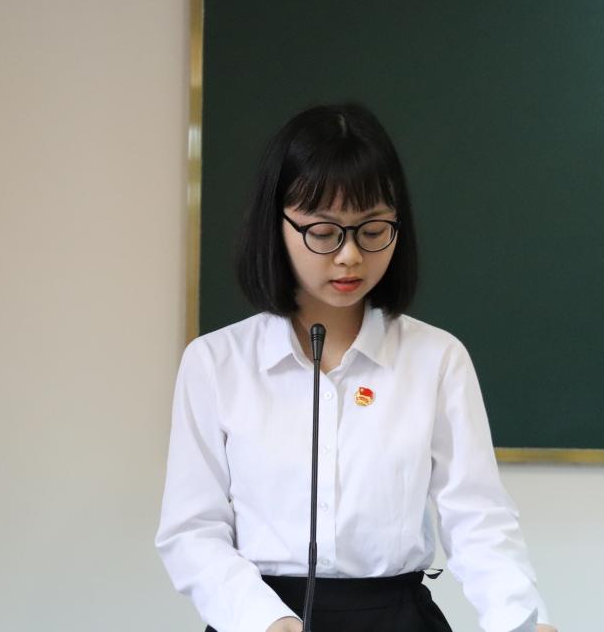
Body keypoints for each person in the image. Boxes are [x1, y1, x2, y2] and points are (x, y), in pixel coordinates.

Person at [155, 103, 557, 632]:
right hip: (260, 619)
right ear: (277, 225)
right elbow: (192, 530)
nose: (349, 256)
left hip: (395, 616)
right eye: (324, 231)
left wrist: (521, 620)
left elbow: (476, 516)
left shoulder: (436, 359)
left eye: (372, 229)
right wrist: (264, 620)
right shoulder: (216, 362)